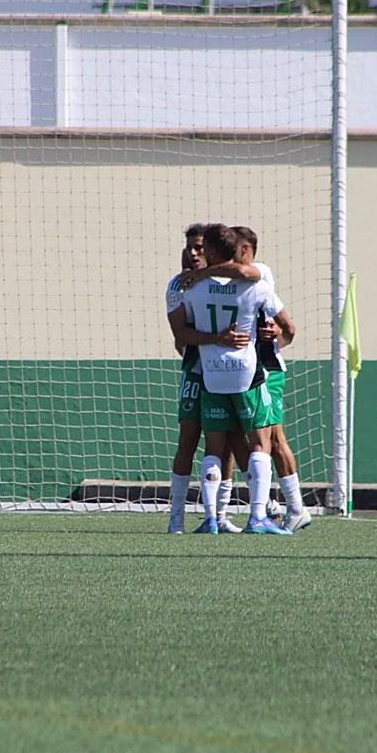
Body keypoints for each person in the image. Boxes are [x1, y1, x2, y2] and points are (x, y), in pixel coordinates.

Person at [180, 226, 312, 532]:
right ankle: (251, 509)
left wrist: (277, 338)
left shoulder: (257, 273)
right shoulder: (217, 281)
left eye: (201, 248)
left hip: (264, 367)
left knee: (272, 438)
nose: (195, 254)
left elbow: (284, 326)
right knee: (237, 440)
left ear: (244, 251)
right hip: (239, 371)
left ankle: (293, 507)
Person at [163, 223, 248, 534]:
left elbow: (252, 274)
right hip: (196, 372)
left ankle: (219, 515)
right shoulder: (178, 285)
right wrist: (216, 338)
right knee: (187, 441)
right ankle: (176, 518)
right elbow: (180, 333)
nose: (193, 253)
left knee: (226, 443)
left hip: (231, 372)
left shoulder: (232, 279)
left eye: (200, 247)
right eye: (190, 247)